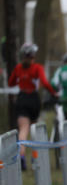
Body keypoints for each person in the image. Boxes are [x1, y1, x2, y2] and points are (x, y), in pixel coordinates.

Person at [8, 42, 58, 170]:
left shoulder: (18, 68)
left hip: (22, 98)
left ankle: (21, 155)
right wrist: (54, 93)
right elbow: (45, 82)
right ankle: (35, 156)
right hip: (34, 100)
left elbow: (11, 82)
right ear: (33, 56)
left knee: (23, 129)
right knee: (34, 128)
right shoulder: (37, 68)